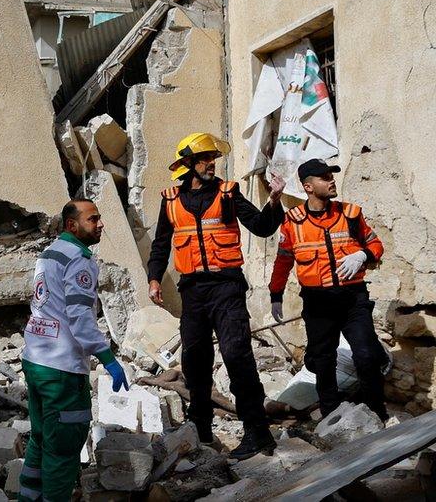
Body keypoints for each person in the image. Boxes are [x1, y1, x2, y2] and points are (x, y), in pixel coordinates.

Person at [147, 132, 285, 460]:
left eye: (213, 158)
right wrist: (154, 279)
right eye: (205, 158)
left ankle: (257, 432)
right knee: (195, 362)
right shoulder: (169, 200)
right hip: (192, 292)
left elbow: (263, 226)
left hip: (227, 288)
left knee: (237, 354)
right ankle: (202, 429)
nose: (212, 163)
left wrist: (275, 200)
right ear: (188, 164)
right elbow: (160, 246)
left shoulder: (228, 193)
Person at [18, 199, 129, 502]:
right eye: (93, 219)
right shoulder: (79, 260)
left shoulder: (50, 253)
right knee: (64, 448)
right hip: (61, 369)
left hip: (36, 360)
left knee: (41, 439)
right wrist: (108, 359)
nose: (101, 224)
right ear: (72, 225)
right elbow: (80, 319)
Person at [269, 158, 388, 421]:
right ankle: (332, 415)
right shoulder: (293, 222)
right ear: (308, 187)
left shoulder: (351, 214)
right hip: (318, 302)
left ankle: (376, 413)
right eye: (324, 178)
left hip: (353, 298)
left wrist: (362, 255)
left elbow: (377, 245)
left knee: (367, 355)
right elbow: (283, 261)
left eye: (331, 176)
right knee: (322, 359)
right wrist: (275, 294)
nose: (331, 181)